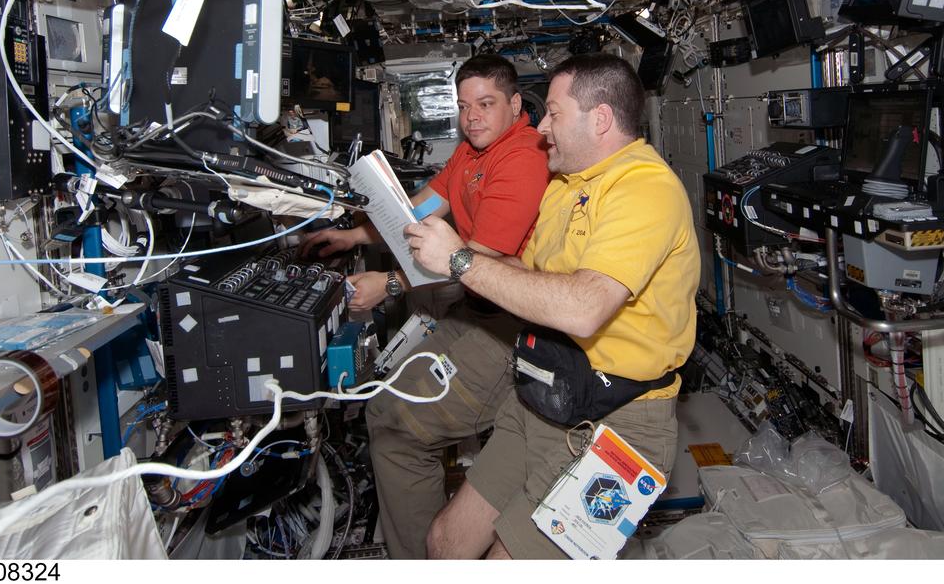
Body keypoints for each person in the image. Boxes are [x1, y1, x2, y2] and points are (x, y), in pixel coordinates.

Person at [404, 52, 699, 560]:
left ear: (600, 119)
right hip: (546, 395)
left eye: (555, 113)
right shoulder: (567, 187)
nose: (541, 128)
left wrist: (458, 261)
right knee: (445, 542)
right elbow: (528, 277)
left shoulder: (645, 189)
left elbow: (584, 307)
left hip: (623, 426)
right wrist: (464, 260)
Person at [299, 54, 550, 559]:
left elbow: (478, 258)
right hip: (472, 310)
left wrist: (390, 285)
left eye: (485, 104)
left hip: (511, 330)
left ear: (515, 104)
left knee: (394, 430)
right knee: (384, 401)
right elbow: (414, 212)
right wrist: (351, 236)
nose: (471, 116)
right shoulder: (471, 151)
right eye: (463, 106)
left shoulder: (522, 158)